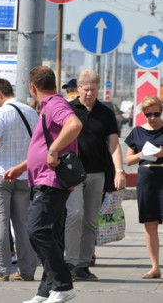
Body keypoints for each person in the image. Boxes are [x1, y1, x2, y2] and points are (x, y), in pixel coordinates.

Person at [4, 66, 82, 303]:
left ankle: (63, 285)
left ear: (33, 87)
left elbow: (74, 125)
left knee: (36, 230)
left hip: (51, 181)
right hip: (44, 179)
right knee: (51, 235)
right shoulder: (49, 107)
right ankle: (45, 292)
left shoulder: (55, 105)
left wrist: (53, 150)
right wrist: (23, 166)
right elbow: (42, 147)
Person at [65, 69, 127, 281]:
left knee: (90, 221)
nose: (89, 93)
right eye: (85, 89)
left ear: (98, 88)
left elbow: (114, 145)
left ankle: (82, 265)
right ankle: (69, 263)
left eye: (93, 89)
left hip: (97, 173)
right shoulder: (69, 109)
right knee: (74, 215)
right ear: (78, 88)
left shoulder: (105, 113)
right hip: (73, 174)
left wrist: (119, 171)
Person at [0, 78, 38, 282]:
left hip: (2, 175)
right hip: (24, 175)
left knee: (0, 223)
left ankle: (0, 269)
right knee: (23, 225)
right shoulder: (32, 113)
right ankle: (27, 270)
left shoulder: (0, 113)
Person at [124, 95, 163, 279]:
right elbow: (129, 159)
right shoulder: (137, 132)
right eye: (149, 115)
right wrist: (143, 154)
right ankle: (155, 266)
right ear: (143, 114)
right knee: (150, 223)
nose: (153, 118)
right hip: (146, 179)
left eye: (156, 114)